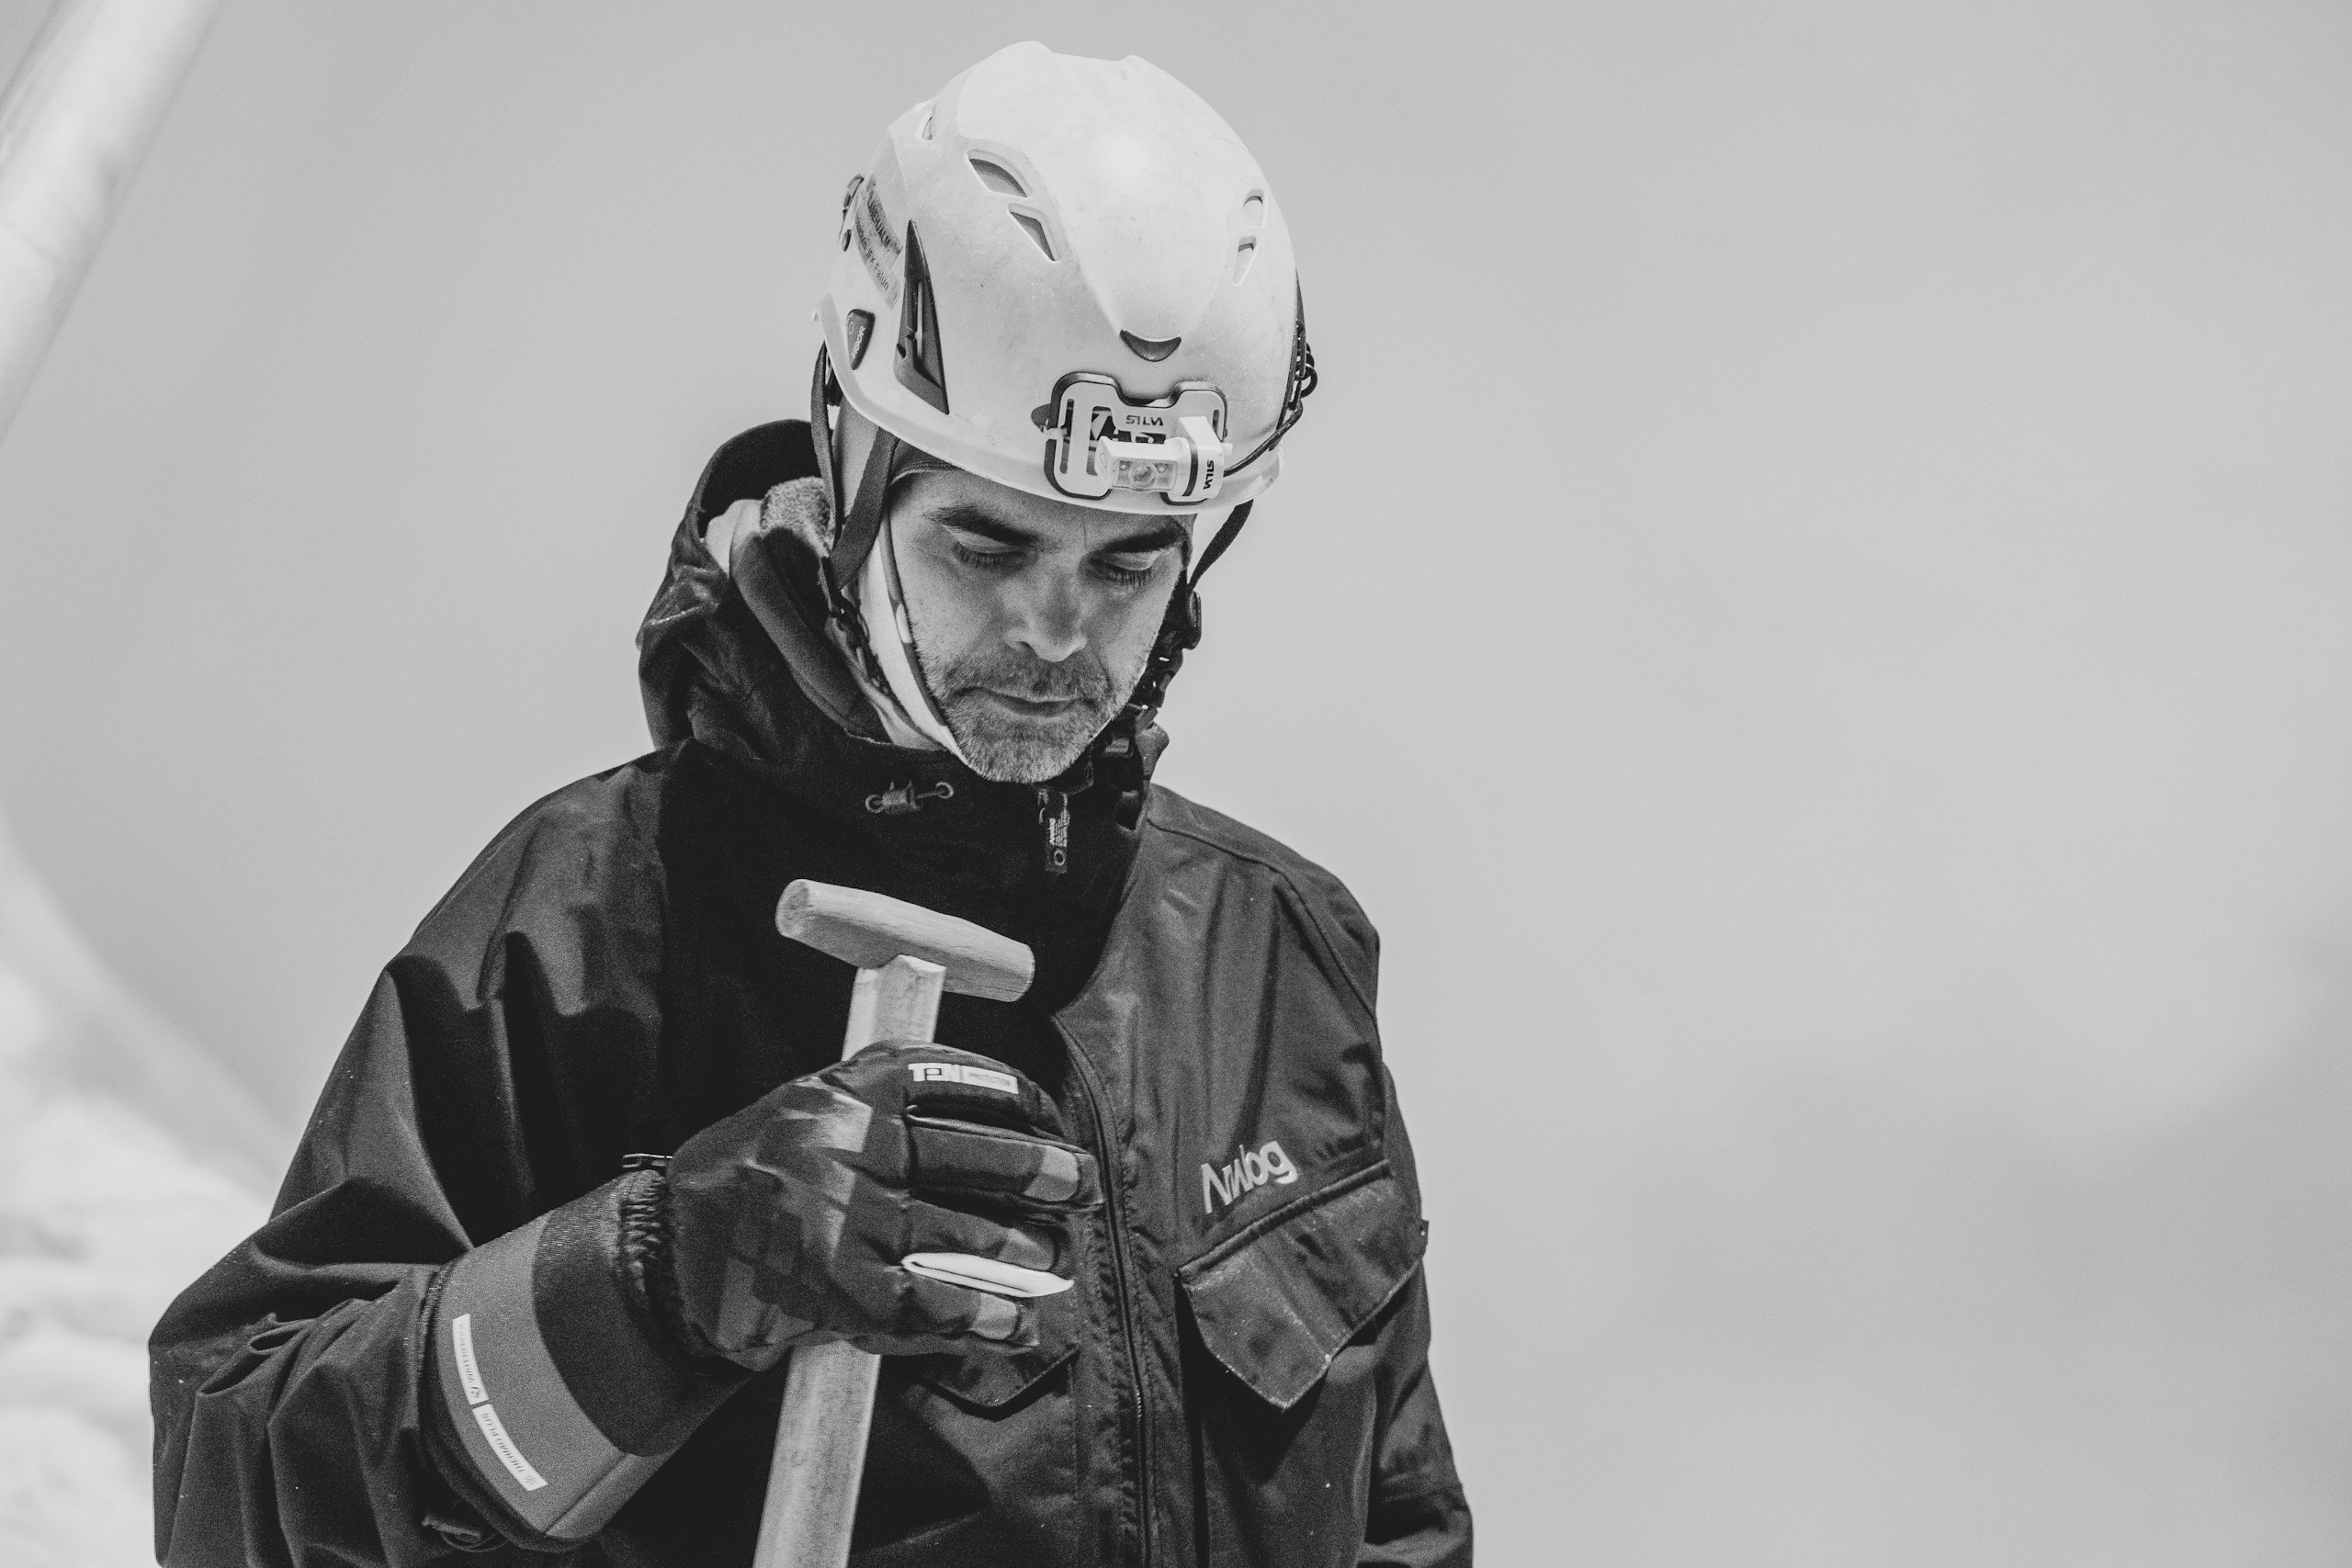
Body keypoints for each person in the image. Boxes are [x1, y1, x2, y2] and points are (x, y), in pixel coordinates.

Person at [150, 41, 1469, 1568]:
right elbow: (236, 1487)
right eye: (986, 546)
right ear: (854, 473)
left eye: (1126, 563)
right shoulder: (595, 921)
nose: (1058, 634)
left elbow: (1402, 1525)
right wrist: (657, 1279)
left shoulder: (1275, 958)